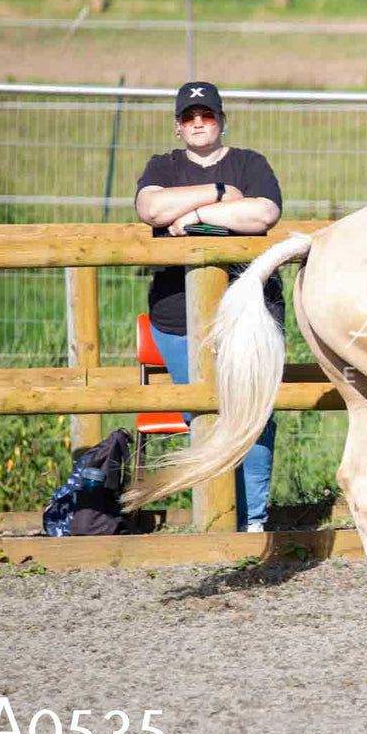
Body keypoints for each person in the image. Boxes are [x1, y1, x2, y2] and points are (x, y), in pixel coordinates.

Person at [135, 81, 284, 532]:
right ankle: (217, 521)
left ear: (222, 120)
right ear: (178, 126)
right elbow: (152, 208)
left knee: (255, 412)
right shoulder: (162, 165)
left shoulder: (251, 162)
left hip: (252, 311)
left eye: (207, 115)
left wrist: (196, 216)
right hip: (179, 317)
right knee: (203, 413)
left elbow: (262, 214)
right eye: (189, 117)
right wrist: (220, 193)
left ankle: (251, 519)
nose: (198, 123)